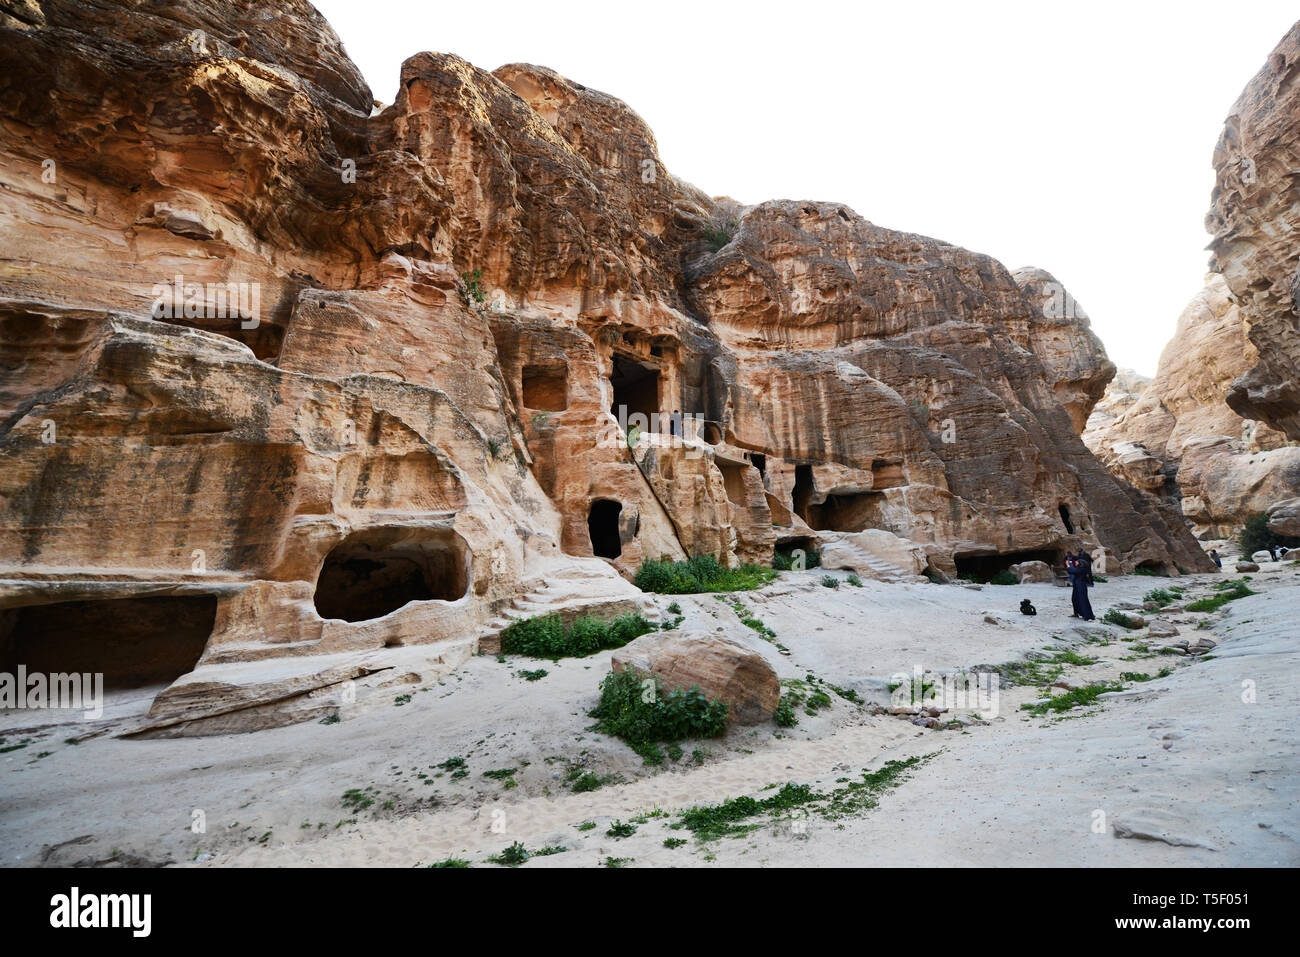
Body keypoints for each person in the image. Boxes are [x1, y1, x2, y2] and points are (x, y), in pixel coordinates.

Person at [1066, 556, 1096, 621]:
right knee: (1075, 599)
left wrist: (1068, 565)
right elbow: (1072, 570)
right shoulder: (1079, 568)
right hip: (1077, 586)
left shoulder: (1082, 569)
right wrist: (1069, 566)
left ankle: (1088, 616)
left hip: (1081, 586)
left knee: (1083, 600)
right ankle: (1077, 613)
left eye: (1077, 562)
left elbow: (1072, 571)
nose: (1075, 562)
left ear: (1080, 563)